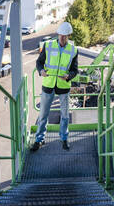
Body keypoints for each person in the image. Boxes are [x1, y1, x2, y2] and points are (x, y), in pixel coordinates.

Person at [31, 22, 78, 151]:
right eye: (60, 35)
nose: (62, 38)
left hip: (63, 86)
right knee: (43, 115)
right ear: (58, 34)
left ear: (68, 36)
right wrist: (41, 71)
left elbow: (75, 70)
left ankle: (64, 139)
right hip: (48, 84)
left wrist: (69, 76)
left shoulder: (73, 50)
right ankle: (39, 139)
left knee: (65, 115)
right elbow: (39, 62)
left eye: (65, 36)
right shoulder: (48, 46)